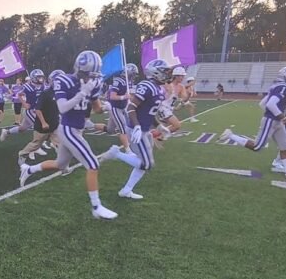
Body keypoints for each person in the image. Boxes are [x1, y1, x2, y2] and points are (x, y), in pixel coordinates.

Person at [19, 51, 117, 220]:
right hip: (68, 129)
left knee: (60, 164)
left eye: (93, 75)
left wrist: (110, 106)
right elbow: (63, 108)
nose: (90, 79)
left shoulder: (93, 83)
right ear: (79, 70)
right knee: (93, 164)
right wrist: (82, 93)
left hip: (78, 128)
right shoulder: (64, 80)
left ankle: (29, 169)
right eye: (88, 75)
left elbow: (96, 108)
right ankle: (96, 207)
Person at [100, 59, 172, 200]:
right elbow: (131, 107)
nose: (166, 75)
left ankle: (126, 190)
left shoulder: (158, 88)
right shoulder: (147, 85)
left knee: (144, 163)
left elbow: (150, 112)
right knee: (147, 164)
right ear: (155, 73)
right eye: (164, 72)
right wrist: (137, 127)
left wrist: (159, 125)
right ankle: (116, 154)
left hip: (144, 130)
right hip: (135, 129)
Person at [220, 67, 286, 183]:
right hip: (272, 121)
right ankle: (230, 135)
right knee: (257, 147)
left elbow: (262, 103)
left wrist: (274, 116)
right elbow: (271, 104)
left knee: (285, 147)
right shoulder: (284, 87)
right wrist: (280, 116)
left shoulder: (277, 86)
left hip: (275, 121)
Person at [17, 69, 66, 167]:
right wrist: (43, 123)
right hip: (42, 122)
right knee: (36, 144)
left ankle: (64, 166)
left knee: (59, 143)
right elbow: (38, 110)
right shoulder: (46, 92)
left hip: (54, 122)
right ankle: (22, 154)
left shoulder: (60, 92)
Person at [0, 69, 45, 142]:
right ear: (33, 77)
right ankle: (36, 146)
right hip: (31, 111)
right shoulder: (28, 86)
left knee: (22, 128)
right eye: (39, 77)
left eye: (41, 77)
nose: (41, 79)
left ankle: (6, 132)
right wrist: (24, 104)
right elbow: (19, 94)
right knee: (39, 126)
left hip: (38, 110)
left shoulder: (42, 86)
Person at [107, 63, 137, 150]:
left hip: (123, 107)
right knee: (123, 128)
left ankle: (91, 125)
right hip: (115, 108)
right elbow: (112, 96)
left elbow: (130, 94)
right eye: (133, 74)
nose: (134, 76)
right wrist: (124, 97)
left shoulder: (129, 82)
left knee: (110, 129)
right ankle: (128, 150)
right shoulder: (119, 81)